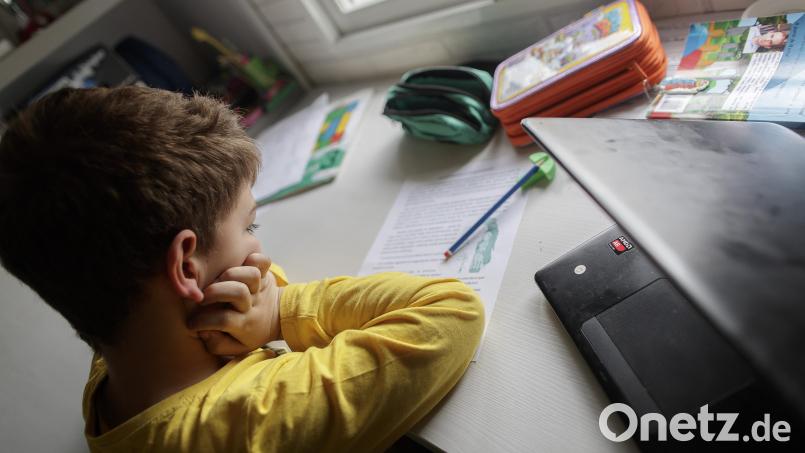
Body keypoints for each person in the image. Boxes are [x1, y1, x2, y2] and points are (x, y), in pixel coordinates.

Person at [0, 86, 484, 452]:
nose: (259, 248)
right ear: (187, 268)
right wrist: (278, 312)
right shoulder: (255, 421)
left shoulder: (117, 345)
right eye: (251, 224)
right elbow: (453, 311)